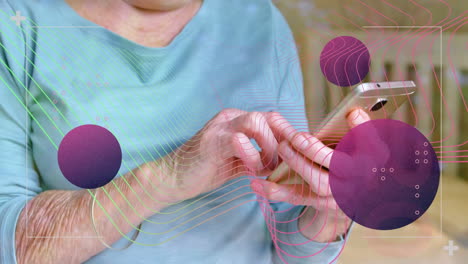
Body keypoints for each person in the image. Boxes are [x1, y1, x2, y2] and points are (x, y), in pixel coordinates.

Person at [0, 0, 370, 263]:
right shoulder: (16, 24)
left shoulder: (261, 19)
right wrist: (170, 174)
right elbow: (12, 245)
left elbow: (292, 249)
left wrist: (331, 212)